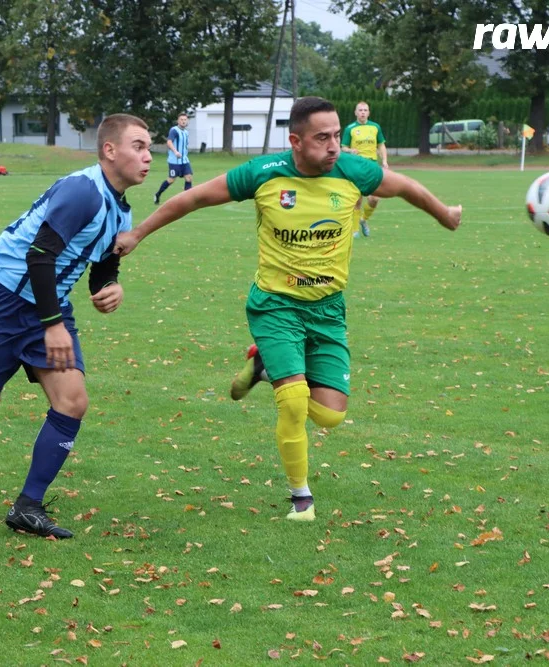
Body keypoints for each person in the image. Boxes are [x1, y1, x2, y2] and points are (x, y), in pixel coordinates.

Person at [114, 97, 461, 522]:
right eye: (322, 138)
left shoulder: (354, 171)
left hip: (328, 310)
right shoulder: (263, 174)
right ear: (295, 141)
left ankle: (262, 367)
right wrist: (138, 234)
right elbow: (193, 200)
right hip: (275, 306)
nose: (334, 145)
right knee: (294, 402)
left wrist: (444, 214)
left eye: (337, 135)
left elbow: (405, 186)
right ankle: (302, 500)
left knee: (330, 416)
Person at [0, 113, 152, 539]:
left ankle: (28, 506)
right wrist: (53, 325)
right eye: (139, 146)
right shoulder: (83, 190)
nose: (148, 156)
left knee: (73, 401)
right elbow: (38, 256)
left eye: (150, 148)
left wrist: (110, 286)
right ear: (109, 150)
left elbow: (101, 269)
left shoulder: (121, 212)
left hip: (47, 305)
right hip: (3, 300)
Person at [341, 101, 388, 237]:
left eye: (365, 110)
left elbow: (381, 145)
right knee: (357, 199)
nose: (362, 112)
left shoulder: (375, 127)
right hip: (356, 166)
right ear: (355, 112)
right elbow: (342, 147)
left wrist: (384, 160)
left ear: (368, 112)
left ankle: (363, 220)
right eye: (360, 110)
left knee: (375, 199)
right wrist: (350, 150)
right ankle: (355, 230)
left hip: (372, 166)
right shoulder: (350, 129)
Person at [153, 113, 192, 204]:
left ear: (187, 121)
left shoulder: (186, 132)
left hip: (185, 160)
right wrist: (175, 152)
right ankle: (158, 194)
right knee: (171, 180)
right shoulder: (174, 130)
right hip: (174, 161)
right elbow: (169, 142)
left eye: (185, 120)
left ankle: (187, 200)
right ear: (178, 121)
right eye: (181, 119)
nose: (183, 121)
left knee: (189, 178)